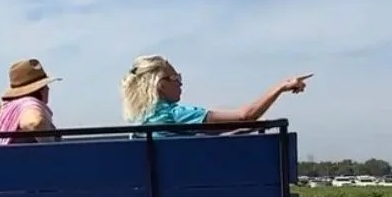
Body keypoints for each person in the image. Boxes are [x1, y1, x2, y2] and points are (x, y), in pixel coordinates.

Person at [120, 56, 312, 131]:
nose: (181, 83)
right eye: (175, 78)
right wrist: (281, 87)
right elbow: (246, 116)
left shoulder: (138, 119)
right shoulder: (177, 115)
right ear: (160, 86)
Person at [0, 59, 59, 145]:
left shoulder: (9, 109)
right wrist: (51, 146)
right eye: (45, 85)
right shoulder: (28, 105)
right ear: (40, 90)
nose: (48, 89)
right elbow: (35, 123)